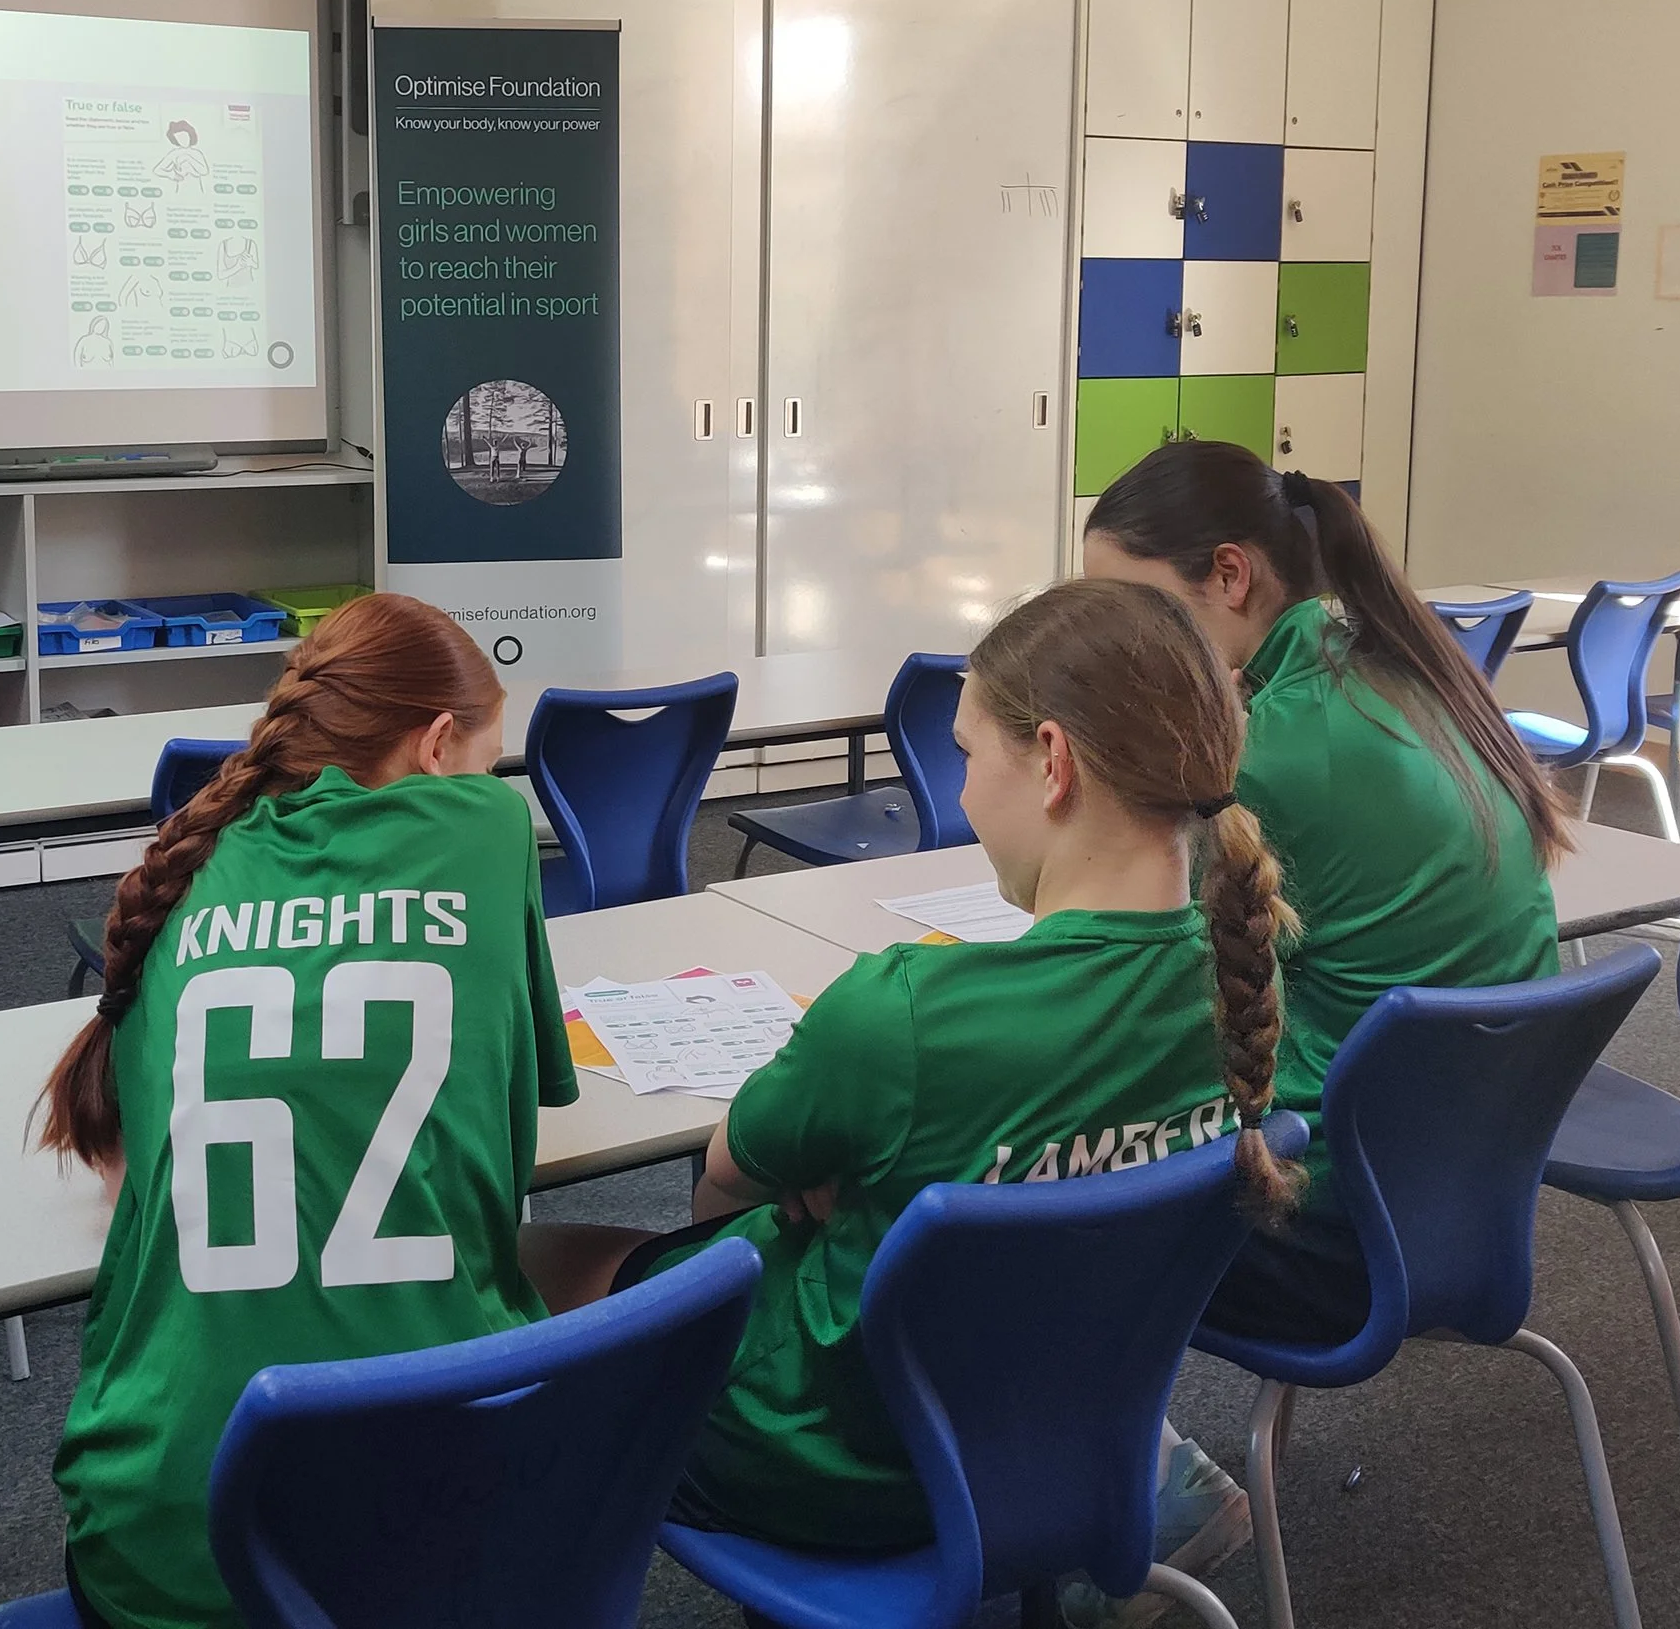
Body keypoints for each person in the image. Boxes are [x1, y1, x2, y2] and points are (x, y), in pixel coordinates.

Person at [520, 578, 1303, 1614]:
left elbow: (723, 1187)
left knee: (520, 1259)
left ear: (1055, 762)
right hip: (1053, 1429)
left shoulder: (904, 1010)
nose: (963, 792)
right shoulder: (1245, 984)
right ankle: (1144, 1480)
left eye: (967, 755)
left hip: (838, 1466)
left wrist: (824, 1191)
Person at [40, 592, 576, 1629]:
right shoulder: (486, 825)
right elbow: (531, 1108)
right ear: (433, 747)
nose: (491, 783)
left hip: (164, 1538)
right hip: (440, 1526)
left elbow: (124, 1167)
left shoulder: (177, 873)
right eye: (484, 757)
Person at [1082, 441, 1567, 1344]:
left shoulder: (1269, 755)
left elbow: (1137, 991)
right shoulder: (1411, 676)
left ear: (1230, 575)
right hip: (1461, 1196)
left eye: (1132, 607)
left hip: (1324, 1224)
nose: (1122, 641)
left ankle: (1158, 1474)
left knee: (1005, 1183)